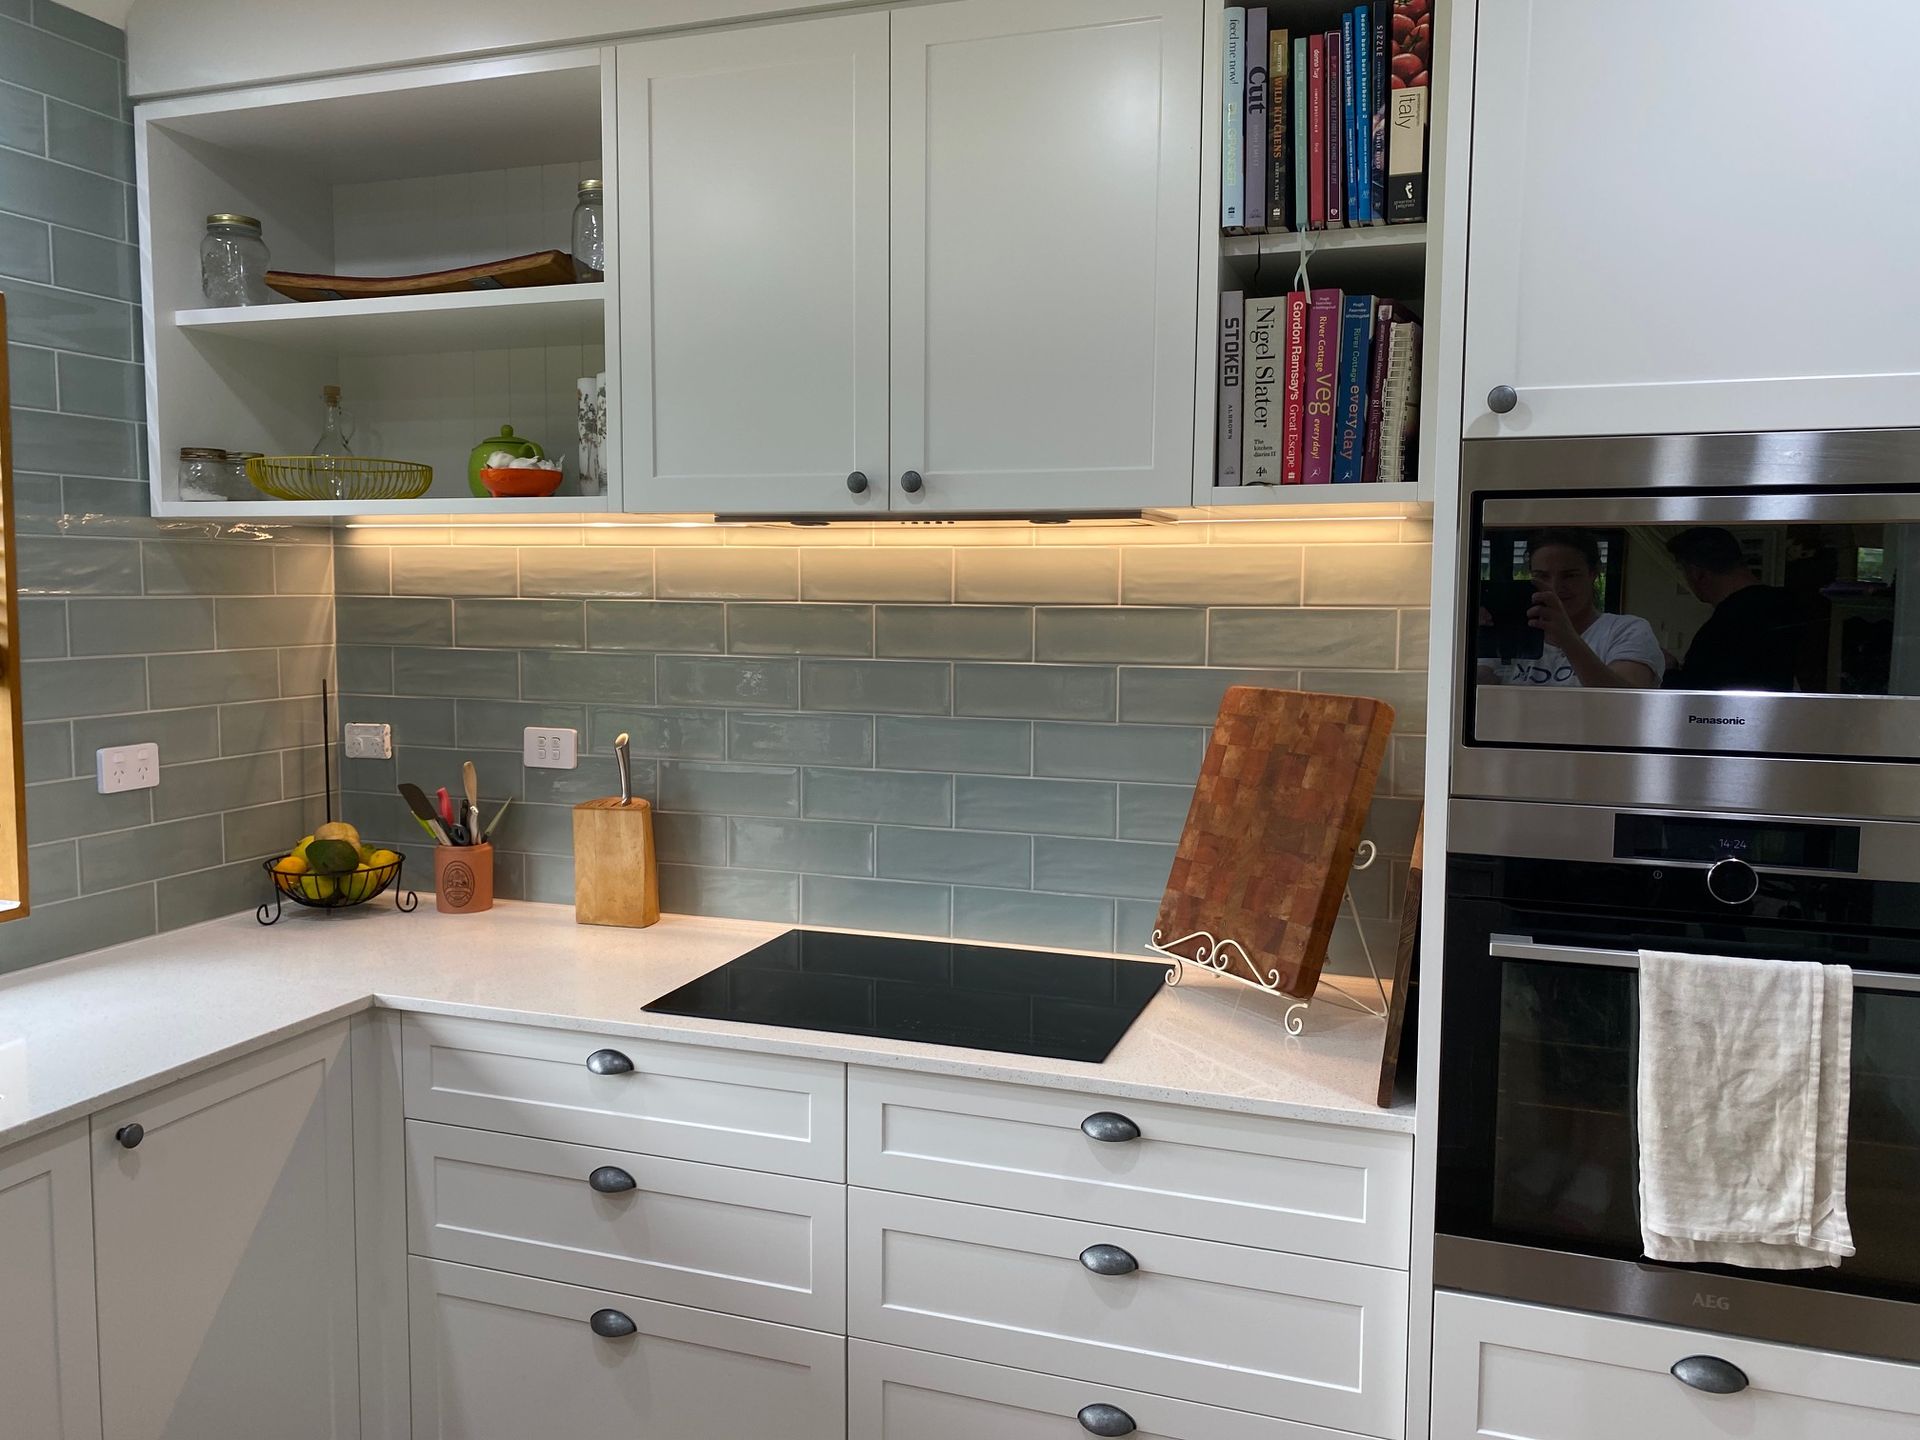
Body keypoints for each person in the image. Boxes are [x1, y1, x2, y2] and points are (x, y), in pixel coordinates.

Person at [1483, 528, 1664, 688]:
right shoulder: (1511, 633)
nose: (1554, 588)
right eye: (1542, 576)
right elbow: (1480, 682)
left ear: (1593, 574)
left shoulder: (1627, 630)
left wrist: (1567, 639)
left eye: (1569, 576)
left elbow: (1626, 701)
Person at [1663, 526, 1801, 691]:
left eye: (1683, 571)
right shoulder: (1791, 603)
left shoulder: (1720, 631)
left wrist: (1669, 669)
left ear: (1696, 573)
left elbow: (1694, 697)